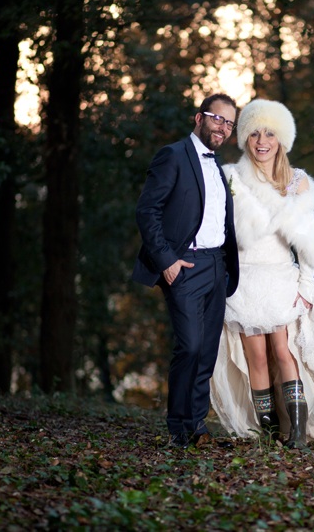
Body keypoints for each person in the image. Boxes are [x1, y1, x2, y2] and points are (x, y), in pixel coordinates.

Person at [209, 99, 314, 455]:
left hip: (281, 279)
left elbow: (308, 242)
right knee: (256, 358)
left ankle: (297, 434)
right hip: (243, 280)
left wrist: (304, 285)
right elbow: (220, 233)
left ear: (281, 138)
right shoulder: (231, 178)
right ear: (244, 138)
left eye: (269, 132)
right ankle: (270, 431)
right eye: (254, 132)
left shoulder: (297, 182)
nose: (261, 140)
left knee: (284, 352)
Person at [133, 93, 240, 449]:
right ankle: (178, 426)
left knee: (207, 350)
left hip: (216, 266)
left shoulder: (218, 166)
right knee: (190, 346)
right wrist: (166, 261)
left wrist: (223, 265)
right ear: (199, 118)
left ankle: (196, 427)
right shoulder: (174, 155)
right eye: (217, 118)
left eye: (229, 123)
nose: (222, 127)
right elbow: (148, 211)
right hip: (184, 265)